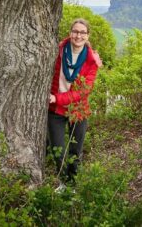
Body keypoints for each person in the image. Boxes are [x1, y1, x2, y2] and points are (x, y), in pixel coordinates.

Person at [48, 18, 102, 185]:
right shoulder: (57, 50)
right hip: (55, 109)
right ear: (70, 33)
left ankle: (73, 185)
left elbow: (83, 92)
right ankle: (63, 183)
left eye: (82, 32)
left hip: (78, 109)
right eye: (75, 31)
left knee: (75, 152)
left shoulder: (92, 60)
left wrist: (57, 97)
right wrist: (54, 99)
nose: (78, 35)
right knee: (58, 151)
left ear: (88, 35)